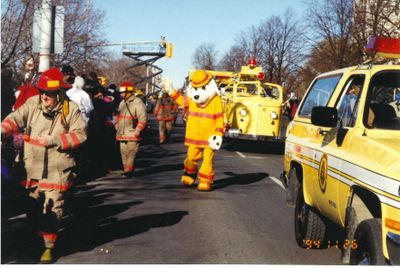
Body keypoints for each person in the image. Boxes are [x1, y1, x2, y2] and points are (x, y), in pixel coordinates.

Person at [1, 67, 87, 263]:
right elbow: (15, 118)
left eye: (48, 93)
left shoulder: (70, 109)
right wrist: (2, 131)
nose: (44, 97)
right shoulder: (33, 104)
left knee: (53, 207)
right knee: (33, 206)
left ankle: (48, 247)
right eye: (41, 92)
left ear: (58, 93)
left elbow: (80, 135)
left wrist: (55, 139)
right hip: (32, 166)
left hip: (57, 168)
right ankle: (34, 240)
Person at [115, 81, 147, 177]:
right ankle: (127, 169)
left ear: (129, 92)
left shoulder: (138, 102)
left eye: (123, 92)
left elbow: (143, 118)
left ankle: (127, 171)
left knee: (131, 153)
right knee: (123, 153)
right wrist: (116, 124)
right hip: (122, 133)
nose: (121, 94)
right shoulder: (122, 103)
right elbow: (118, 115)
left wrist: (138, 130)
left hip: (133, 133)